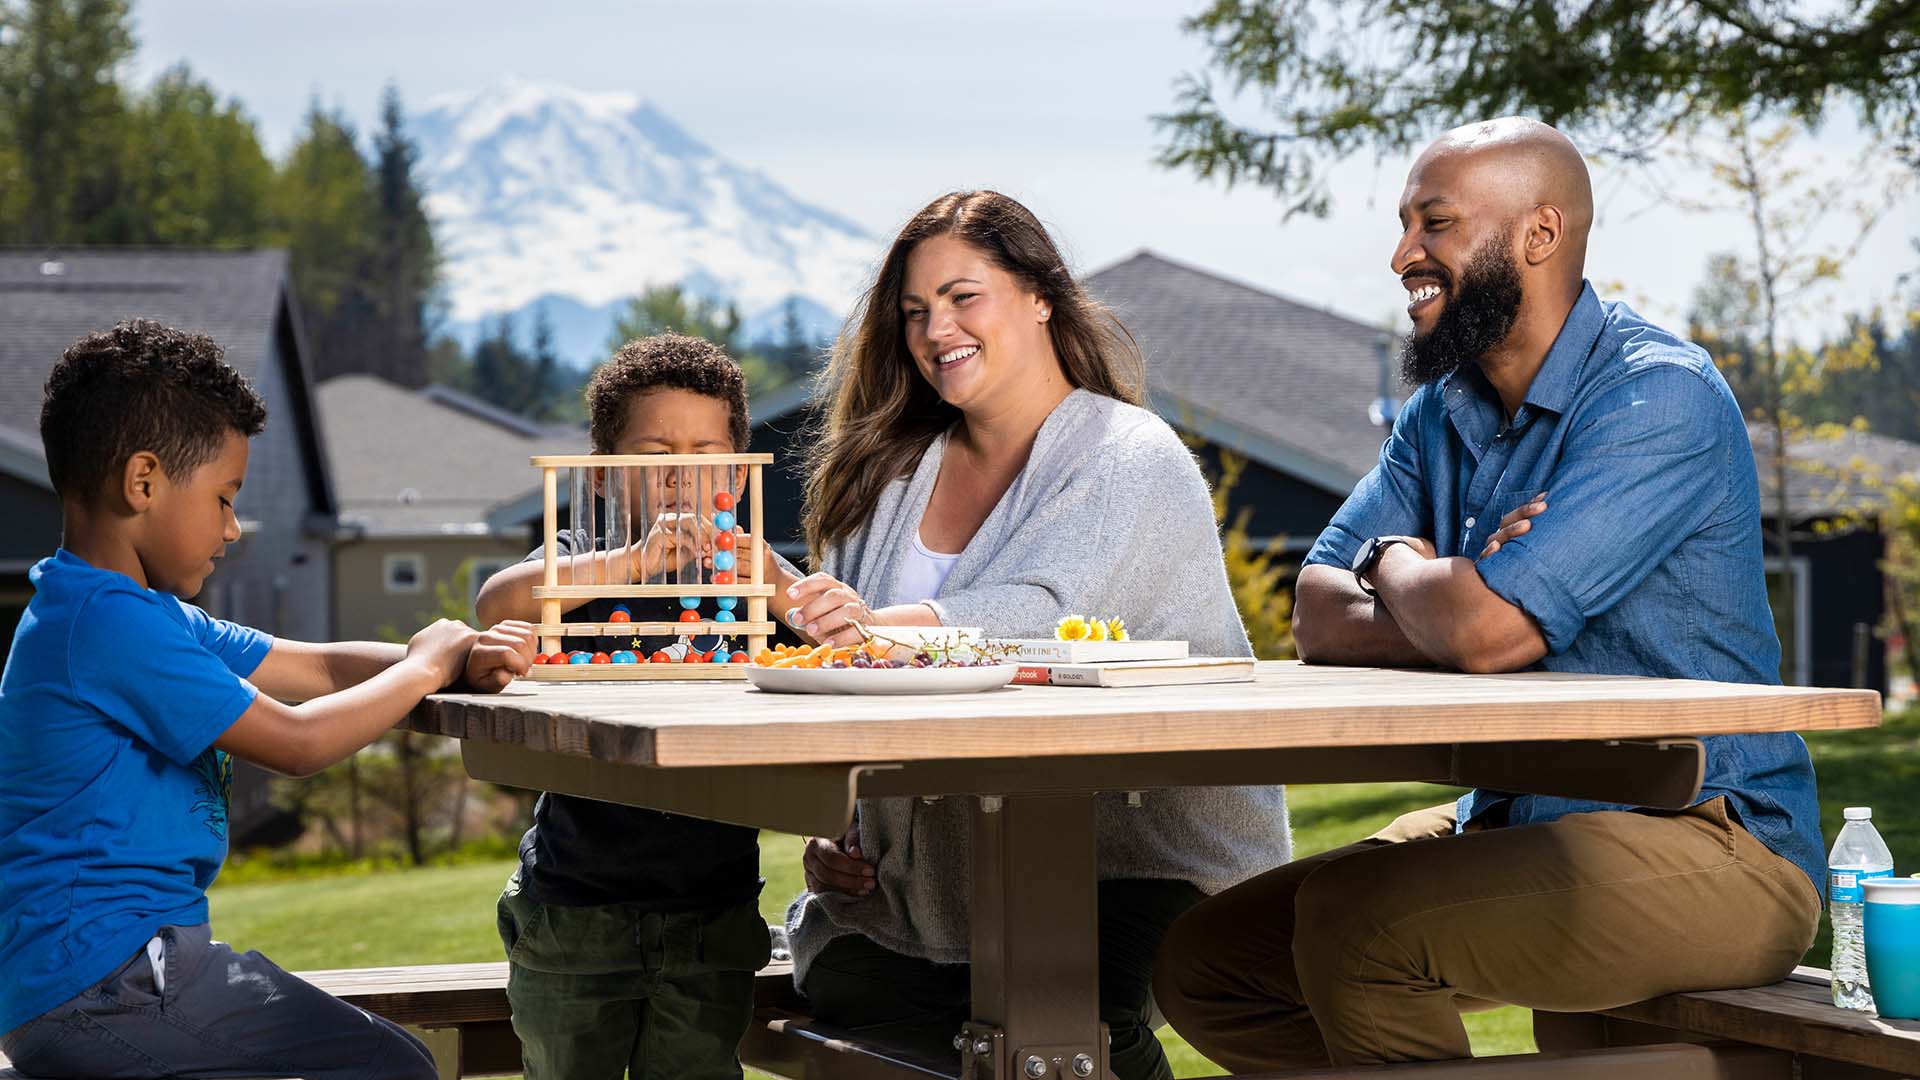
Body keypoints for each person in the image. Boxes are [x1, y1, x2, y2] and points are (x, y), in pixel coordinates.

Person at [1153, 117, 1823, 1069]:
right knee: (1208, 960)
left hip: (1715, 841)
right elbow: (1314, 610)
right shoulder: (1442, 409)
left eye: (1435, 225)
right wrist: (1443, 585)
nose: (1401, 255)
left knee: (1360, 927)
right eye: (1403, 225)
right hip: (1522, 812)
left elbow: (1484, 632)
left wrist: (1393, 563)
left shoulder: (1656, 399)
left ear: (1537, 236)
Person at [776, 190, 1291, 1080]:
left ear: (1041, 294)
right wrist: (847, 830)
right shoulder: (889, 476)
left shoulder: (1130, 455)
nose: (938, 329)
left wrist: (871, 629)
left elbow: (1044, 616)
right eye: (914, 311)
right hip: (932, 875)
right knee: (870, 997)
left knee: (1054, 1019)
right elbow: (850, 680)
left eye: (963, 296)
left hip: (1134, 858)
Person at [0, 319, 534, 1080]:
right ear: (143, 482)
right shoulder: (108, 624)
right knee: (392, 1068)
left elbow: (311, 669)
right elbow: (298, 740)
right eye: (223, 497)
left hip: (116, 976)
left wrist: (461, 657)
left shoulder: (131, 612)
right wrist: (421, 669)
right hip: (107, 988)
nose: (233, 526)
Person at [474, 332, 802, 1080]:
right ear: (602, 477)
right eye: (654, 454)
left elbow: (842, 639)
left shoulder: (755, 582)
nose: (682, 477)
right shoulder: (580, 561)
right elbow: (494, 602)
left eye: (708, 453)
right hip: (575, 902)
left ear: (738, 474)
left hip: (712, 905)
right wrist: (636, 560)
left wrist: (783, 583)